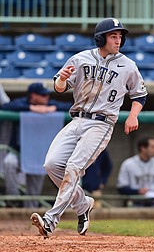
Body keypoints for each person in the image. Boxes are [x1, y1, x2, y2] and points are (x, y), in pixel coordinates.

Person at [30, 17, 147, 238]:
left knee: (74, 166)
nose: (118, 40)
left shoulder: (127, 65)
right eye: (113, 36)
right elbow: (59, 87)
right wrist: (62, 80)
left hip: (101, 124)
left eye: (120, 36)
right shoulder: (81, 58)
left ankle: (50, 220)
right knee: (52, 164)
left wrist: (133, 116)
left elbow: (140, 94)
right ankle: (83, 205)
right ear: (100, 38)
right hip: (77, 120)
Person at [2, 82, 71, 208]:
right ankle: (13, 199)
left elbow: (69, 107)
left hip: (38, 152)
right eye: (42, 95)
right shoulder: (22, 103)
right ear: (33, 96)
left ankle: (28, 219)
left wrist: (53, 108)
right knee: (9, 163)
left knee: (33, 195)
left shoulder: (51, 104)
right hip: (19, 150)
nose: (46, 97)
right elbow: (7, 107)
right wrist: (30, 108)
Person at [117, 136, 154, 207]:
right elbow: (121, 187)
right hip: (135, 203)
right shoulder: (128, 164)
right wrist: (137, 191)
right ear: (143, 148)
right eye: (153, 147)